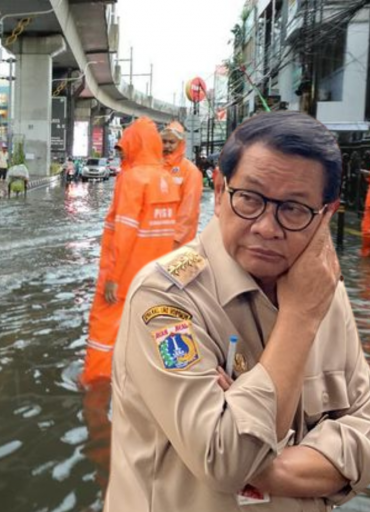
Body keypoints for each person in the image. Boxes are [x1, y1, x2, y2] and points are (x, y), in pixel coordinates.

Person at [106, 111, 370, 511]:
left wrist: (267, 468)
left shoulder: (326, 295)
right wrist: (299, 319)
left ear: (327, 214)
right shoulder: (165, 298)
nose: (267, 226)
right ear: (218, 189)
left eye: (294, 209)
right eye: (249, 198)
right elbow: (226, 460)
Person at [81, 117, 180, 387]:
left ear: (135, 143)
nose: (121, 152)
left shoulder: (132, 179)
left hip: (123, 278)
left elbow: (124, 233)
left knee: (102, 331)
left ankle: (95, 386)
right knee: (156, 330)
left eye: (124, 146)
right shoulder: (167, 179)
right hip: (156, 277)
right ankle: (167, 381)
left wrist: (113, 277)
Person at [162, 122, 203, 247]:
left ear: (180, 143)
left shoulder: (190, 171)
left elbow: (188, 211)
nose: (167, 146)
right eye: (164, 141)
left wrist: (176, 239)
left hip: (179, 242)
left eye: (171, 142)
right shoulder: (156, 166)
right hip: (157, 239)